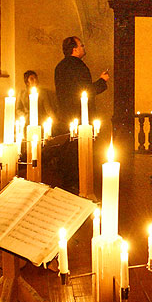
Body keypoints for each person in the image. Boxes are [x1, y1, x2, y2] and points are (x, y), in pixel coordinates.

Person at [54, 36, 109, 192]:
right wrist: (102, 81)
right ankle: (81, 184)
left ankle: (68, 183)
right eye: (81, 45)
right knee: (80, 150)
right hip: (81, 114)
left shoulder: (59, 67)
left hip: (66, 114)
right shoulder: (78, 66)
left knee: (68, 148)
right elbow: (86, 91)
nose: (84, 48)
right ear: (75, 49)